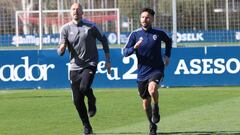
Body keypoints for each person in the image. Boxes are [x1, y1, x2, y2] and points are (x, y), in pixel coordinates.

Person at [57, 3, 111, 135]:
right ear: (70, 12)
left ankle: (92, 100)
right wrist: (62, 49)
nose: (75, 11)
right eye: (73, 9)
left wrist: (108, 60)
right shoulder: (65, 29)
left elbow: (104, 40)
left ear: (82, 12)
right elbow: (60, 51)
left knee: (84, 88)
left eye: (78, 9)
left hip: (90, 63)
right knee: (77, 100)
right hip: (74, 67)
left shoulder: (91, 26)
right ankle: (87, 127)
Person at [123, 7, 172, 135]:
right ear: (140, 19)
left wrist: (167, 55)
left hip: (156, 69)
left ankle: (156, 107)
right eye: (143, 17)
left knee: (152, 89)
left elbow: (168, 41)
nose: (145, 19)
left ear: (152, 19)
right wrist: (134, 47)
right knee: (145, 103)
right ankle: (152, 125)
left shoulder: (158, 33)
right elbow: (125, 52)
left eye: (147, 17)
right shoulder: (135, 34)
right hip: (142, 73)